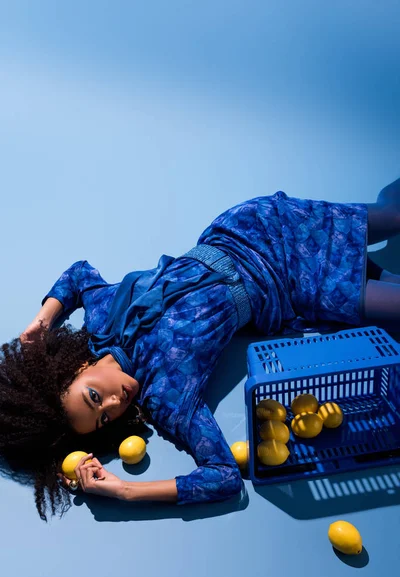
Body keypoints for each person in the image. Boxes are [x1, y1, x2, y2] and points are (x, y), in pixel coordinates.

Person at [1, 181, 400, 522]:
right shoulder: (166, 399)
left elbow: (78, 274)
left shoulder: (103, 319)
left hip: (253, 229)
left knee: (390, 215)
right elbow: (224, 476)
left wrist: (44, 319)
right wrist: (125, 492)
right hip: (287, 285)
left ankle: (372, 268)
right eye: (105, 418)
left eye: (94, 396)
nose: (114, 401)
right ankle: (373, 274)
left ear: (78, 368)